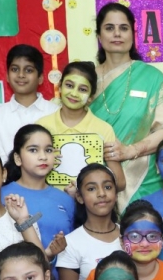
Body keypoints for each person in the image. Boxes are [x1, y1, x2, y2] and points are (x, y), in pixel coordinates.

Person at [91, 2, 163, 209]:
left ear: (133, 35)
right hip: (95, 181)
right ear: (99, 36)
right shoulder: (86, 81)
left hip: (142, 180)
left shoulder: (153, 78)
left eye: (123, 28)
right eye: (109, 28)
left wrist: (131, 151)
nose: (117, 34)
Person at [36, 61, 126, 192]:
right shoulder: (42, 126)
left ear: (90, 97)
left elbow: (120, 182)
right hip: (50, 200)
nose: (74, 93)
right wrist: (45, 163)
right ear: (59, 87)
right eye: (69, 85)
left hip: (90, 203)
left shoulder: (103, 130)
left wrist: (95, 186)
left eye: (82, 89)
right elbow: (30, 177)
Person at [1, 124, 74, 262]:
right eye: (33, 150)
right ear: (18, 158)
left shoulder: (66, 200)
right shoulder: (2, 196)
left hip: (59, 276)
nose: (43, 157)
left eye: (48, 150)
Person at [57, 164, 123, 280]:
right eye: (92, 189)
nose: (101, 193)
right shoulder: (71, 244)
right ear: (80, 197)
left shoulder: (130, 236)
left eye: (107, 187)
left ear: (116, 194)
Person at [0, 44, 58, 163]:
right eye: (15, 69)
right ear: (7, 76)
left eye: (28, 70)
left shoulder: (55, 112)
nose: (21, 75)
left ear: (40, 78)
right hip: (10, 174)